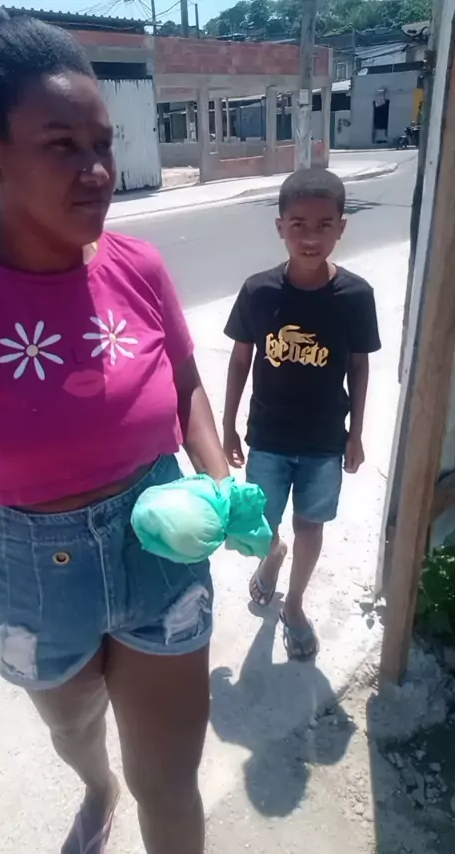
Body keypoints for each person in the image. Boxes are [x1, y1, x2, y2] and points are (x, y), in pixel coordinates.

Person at [0, 4, 229, 853]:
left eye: (103, 143)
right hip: (27, 572)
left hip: (159, 546)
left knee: (172, 783)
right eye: (62, 146)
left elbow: (185, 382)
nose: (96, 171)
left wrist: (219, 482)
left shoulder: (139, 267)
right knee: (73, 728)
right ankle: (94, 785)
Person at [223, 167, 381, 661]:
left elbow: (359, 365)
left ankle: (293, 605)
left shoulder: (355, 297)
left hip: (323, 441)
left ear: (341, 227)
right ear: (280, 227)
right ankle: (272, 557)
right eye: (298, 225)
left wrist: (356, 433)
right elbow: (240, 359)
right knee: (262, 525)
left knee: (311, 525)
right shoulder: (259, 291)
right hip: (267, 437)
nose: (311, 237)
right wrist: (227, 425)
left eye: (323, 224)